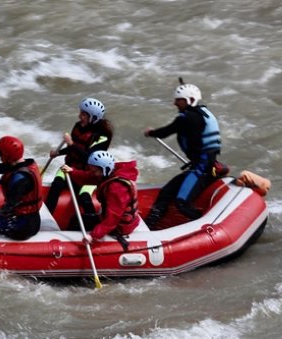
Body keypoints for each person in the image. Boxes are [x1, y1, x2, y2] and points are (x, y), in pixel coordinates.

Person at [143, 82, 222, 227]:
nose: (175, 103)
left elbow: (168, 130)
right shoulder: (201, 114)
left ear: (190, 100)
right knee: (166, 192)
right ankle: (150, 225)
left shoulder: (189, 118)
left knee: (181, 203)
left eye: (178, 100)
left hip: (202, 169)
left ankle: (208, 226)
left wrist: (151, 133)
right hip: (200, 166)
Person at [45, 98, 113, 217]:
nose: (79, 116)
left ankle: (93, 223)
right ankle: (45, 217)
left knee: (84, 197)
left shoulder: (103, 136)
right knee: (56, 185)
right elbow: (73, 149)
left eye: (83, 114)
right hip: (69, 167)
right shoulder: (78, 126)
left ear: (93, 117)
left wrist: (71, 144)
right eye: (81, 112)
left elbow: (89, 158)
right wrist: (58, 152)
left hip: (89, 174)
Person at [60, 151, 140, 247]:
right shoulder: (108, 173)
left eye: (94, 171)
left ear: (104, 169)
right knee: (76, 219)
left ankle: (70, 247)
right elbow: (88, 176)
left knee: (76, 222)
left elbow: (112, 219)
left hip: (120, 226)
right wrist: (72, 171)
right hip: (110, 219)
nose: (93, 173)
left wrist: (93, 236)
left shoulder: (116, 188)